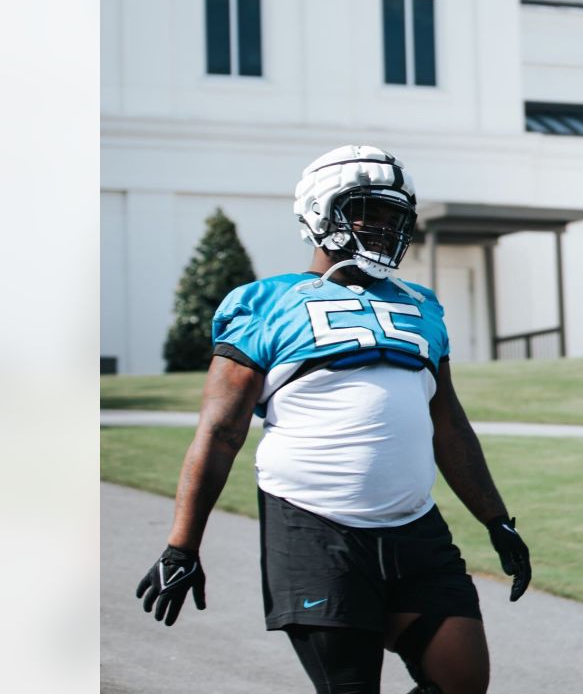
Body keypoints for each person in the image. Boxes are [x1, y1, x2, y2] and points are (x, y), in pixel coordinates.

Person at [135, 145, 532, 694]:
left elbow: (449, 424)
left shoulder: (421, 304)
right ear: (322, 212)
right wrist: (182, 546)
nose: (387, 226)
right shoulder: (264, 303)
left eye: (396, 215)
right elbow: (221, 432)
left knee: (463, 681)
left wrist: (496, 519)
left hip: (414, 527)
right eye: (370, 210)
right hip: (315, 527)